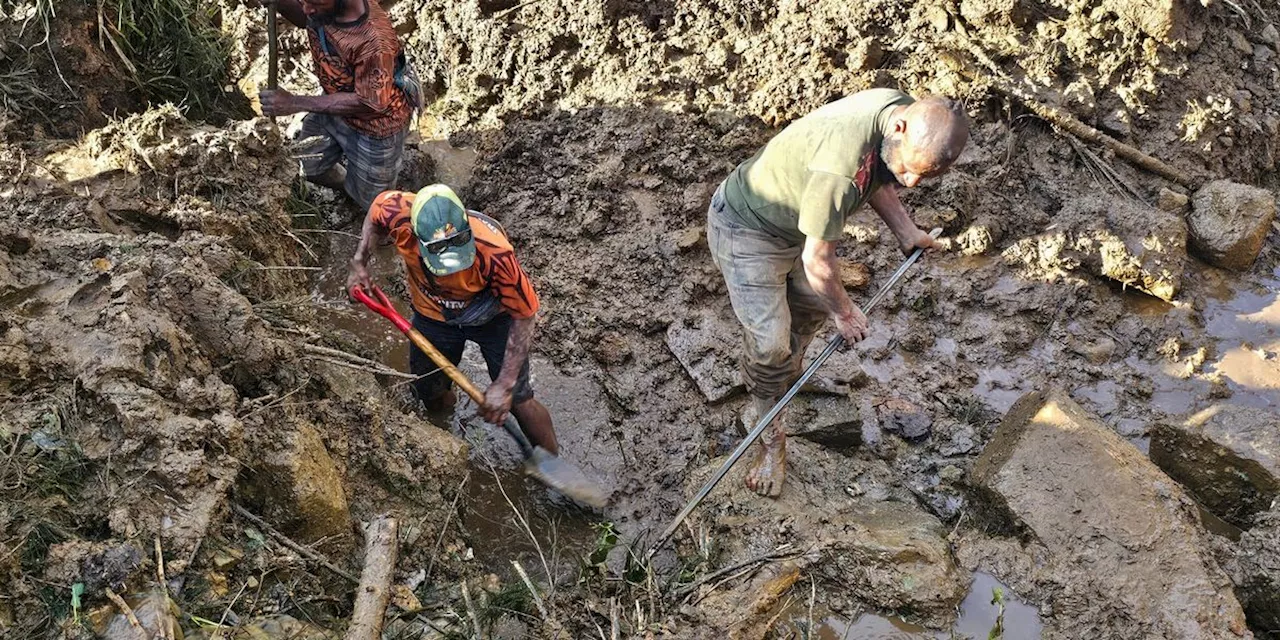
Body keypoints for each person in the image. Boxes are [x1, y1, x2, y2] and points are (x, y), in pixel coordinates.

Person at [707, 88, 969, 497]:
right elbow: (819, 263)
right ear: (900, 127)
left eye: (925, 176)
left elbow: (877, 175)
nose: (912, 182)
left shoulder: (898, 116)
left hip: (796, 222)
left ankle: (784, 379)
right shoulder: (841, 169)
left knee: (811, 306)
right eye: (910, 169)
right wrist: (845, 313)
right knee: (770, 343)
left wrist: (906, 231)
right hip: (747, 229)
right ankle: (770, 438)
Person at [348, 184, 559, 454]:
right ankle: (444, 429)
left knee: (519, 400)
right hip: (433, 314)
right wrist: (359, 262)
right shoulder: (395, 212)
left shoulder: (494, 253)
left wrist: (504, 385)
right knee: (428, 390)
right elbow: (375, 213)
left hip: (493, 318)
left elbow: (525, 315)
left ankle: (552, 463)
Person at [260, 0, 421, 213]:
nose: (307, 9)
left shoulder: (373, 41)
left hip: (377, 125)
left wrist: (294, 102)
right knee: (307, 164)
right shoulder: (325, 9)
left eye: (315, 4)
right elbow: (307, 18)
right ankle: (348, 186)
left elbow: (370, 103)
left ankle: (378, 227)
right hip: (334, 104)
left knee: (375, 205)